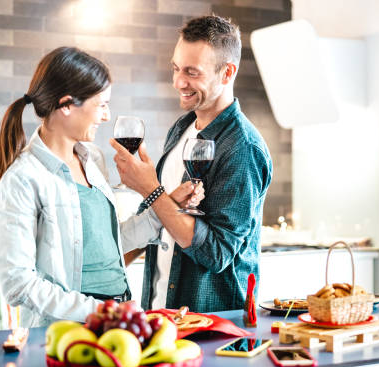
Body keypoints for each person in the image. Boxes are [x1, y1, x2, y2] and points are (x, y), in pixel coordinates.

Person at [0, 47, 202, 327]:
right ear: (66, 105)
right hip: (66, 329)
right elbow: (18, 283)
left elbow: (107, 245)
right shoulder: (24, 179)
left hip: (118, 315)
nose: (106, 116)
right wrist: (96, 311)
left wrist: (167, 206)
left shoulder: (92, 159)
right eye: (101, 105)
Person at [110, 15, 273, 313]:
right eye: (175, 68)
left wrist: (150, 188)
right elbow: (159, 221)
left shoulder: (242, 147)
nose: (178, 82)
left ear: (227, 73)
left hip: (214, 326)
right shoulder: (182, 128)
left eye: (191, 72)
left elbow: (217, 254)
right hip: (160, 313)